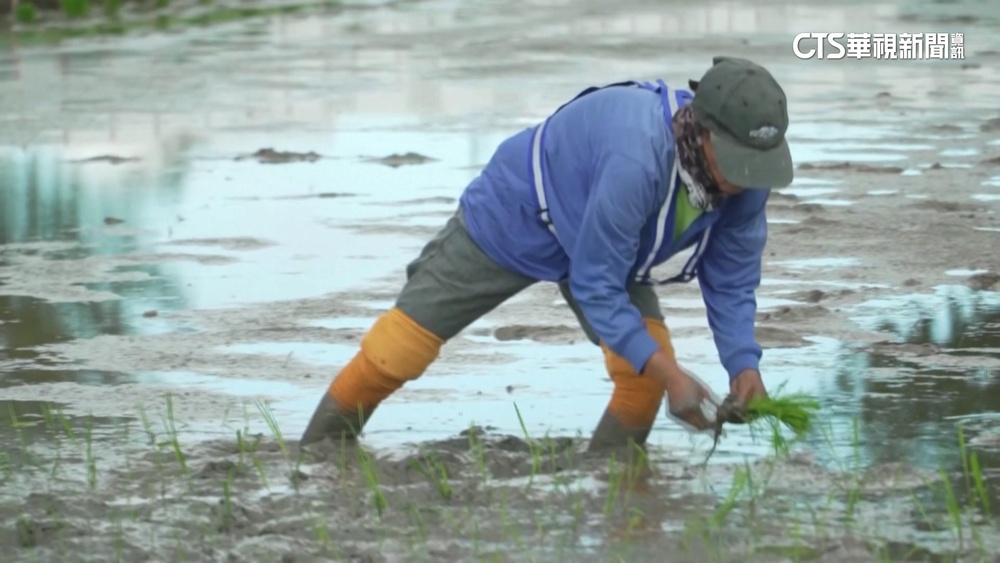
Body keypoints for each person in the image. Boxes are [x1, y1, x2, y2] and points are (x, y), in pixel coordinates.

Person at [299, 56, 794, 451]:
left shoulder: (748, 182)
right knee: (397, 350)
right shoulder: (637, 159)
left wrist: (743, 367)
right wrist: (672, 376)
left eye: (758, 164)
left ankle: (613, 486)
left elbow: (731, 280)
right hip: (518, 213)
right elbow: (596, 285)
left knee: (641, 377)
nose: (745, 178)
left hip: (607, 242)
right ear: (702, 131)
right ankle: (317, 457)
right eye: (737, 162)